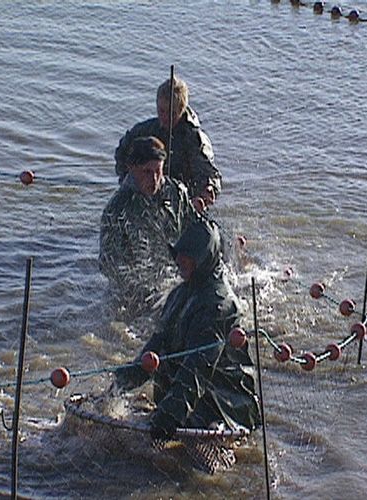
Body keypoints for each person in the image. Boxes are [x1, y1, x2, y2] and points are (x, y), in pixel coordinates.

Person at [114, 219, 260, 440]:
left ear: (203, 259)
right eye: (179, 253)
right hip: (188, 388)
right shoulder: (179, 294)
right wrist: (117, 387)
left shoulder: (219, 304)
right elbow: (154, 349)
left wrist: (169, 416)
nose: (179, 260)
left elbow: (198, 368)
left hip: (224, 401)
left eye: (187, 256)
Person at [99, 136, 199, 316]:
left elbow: (197, 229)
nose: (154, 179)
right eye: (146, 172)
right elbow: (108, 263)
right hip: (135, 297)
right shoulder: (117, 210)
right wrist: (144, 291)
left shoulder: (176, 192)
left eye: (158, 171)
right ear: (131, 169)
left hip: (176, 280)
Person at [114, 76, 222, 207]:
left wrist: (207, 190)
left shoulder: (195, 140)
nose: (164, 117)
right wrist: (128, 179)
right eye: (161, 111)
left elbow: (210, 174)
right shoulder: (144, 131)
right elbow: (122, 153)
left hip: (185, 201)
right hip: (148, 195)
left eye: (171, 113)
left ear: (181, 110)